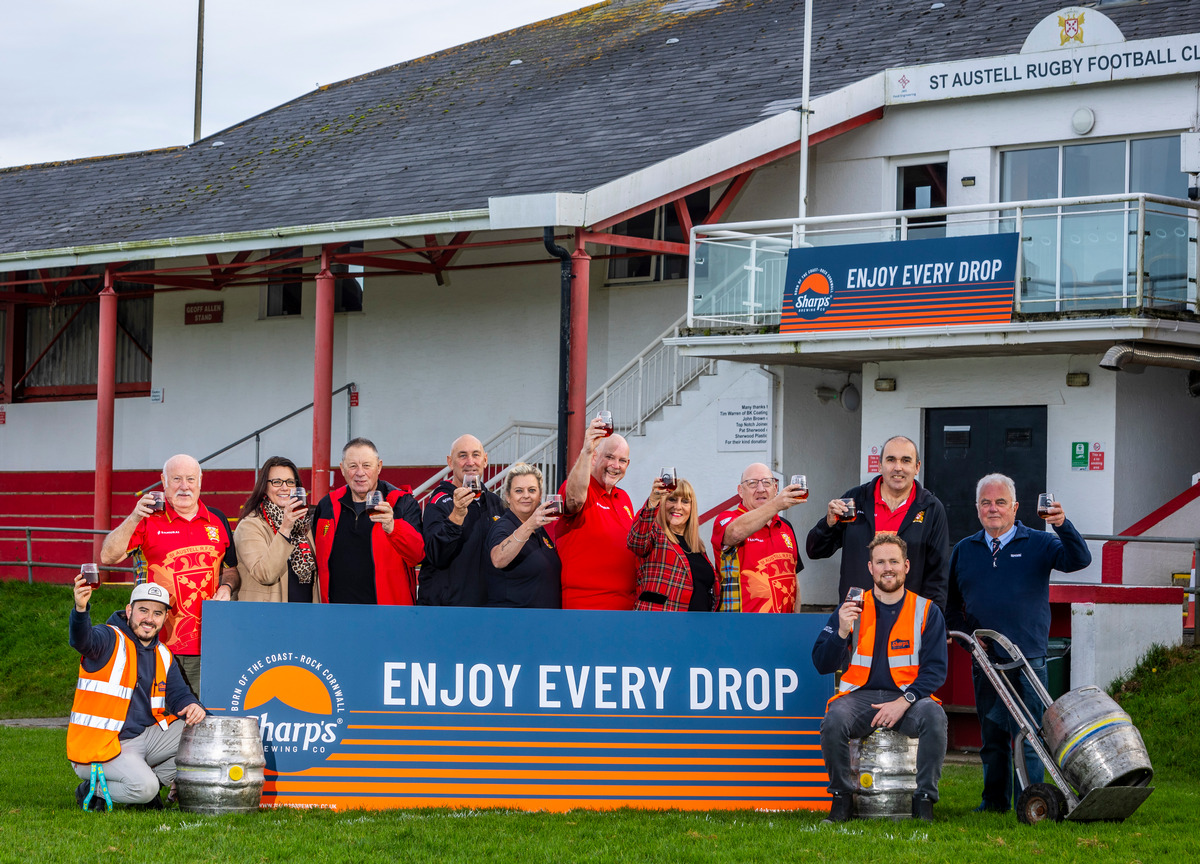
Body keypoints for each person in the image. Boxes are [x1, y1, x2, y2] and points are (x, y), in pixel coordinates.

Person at [947, 474, 1092, 814]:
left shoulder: (1040, 543)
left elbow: (1080, 560)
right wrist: (970, 639)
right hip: (986, 662)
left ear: (1015, 507)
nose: (992, 509)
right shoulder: (964, 550)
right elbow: (951, 607)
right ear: (977, 508)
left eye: (1000, 502)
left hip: (1029, 659)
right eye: (986, 503)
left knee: (1031, 738)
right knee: (993, 735)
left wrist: (1063, 525)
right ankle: (993, 802)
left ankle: (1033, 802)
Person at [812, 533, 948, 823]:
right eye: (881, 562)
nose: (888, 568)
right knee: (834, 719)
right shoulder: (852, 608)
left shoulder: (927, 610)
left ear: (907, 566)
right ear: (870, 568)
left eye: (894, 561)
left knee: (935, 717)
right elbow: (821, 663)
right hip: (860, 697)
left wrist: (904, 701)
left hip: (909, 697)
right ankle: (842, 800)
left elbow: (935, 670)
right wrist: (841, 631)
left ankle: (924, 802)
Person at [100, 453, 238, 693]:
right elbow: (107, 557)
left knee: (200, 717)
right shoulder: (147, 519)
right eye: (176, 479)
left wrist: (226, 588)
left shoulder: (217, 520)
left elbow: (232, 570)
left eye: (190, 479)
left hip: (208, 644)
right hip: (155, 642)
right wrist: (134, 517)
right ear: (163, 481)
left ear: (200, 482)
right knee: (156, 717)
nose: (184, 486)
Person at [68, 577, 206, 810]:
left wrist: (193, 706)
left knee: (202, 733)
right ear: (129, 610)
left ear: (164, 618)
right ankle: (91, 791)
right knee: (145, 787)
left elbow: (179, 695)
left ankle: (144, 785)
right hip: (99, 746)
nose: (149, 619)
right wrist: (81, 610)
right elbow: (82, 641)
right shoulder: (108, 638)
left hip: (140, 740)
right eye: (143, 610)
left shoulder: (163, 654)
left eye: (157, 613)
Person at [806, 435, 950, 611]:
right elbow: (815, 550)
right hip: (857, 613)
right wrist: (828, 524)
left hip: (906, 616)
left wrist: (932, 623)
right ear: (880, 465)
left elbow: (938, 576)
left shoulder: (931, 508)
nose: (898, 468)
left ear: (917, 467)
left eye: (906, 461)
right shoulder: (856, 499)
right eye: (891, 460)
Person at [313, 437, 424, 604]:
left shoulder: (402, 503)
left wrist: (393, 528)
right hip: (336, 615)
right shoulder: (327, 505)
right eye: (352, 466)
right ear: (342, 469)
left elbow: (418, 556)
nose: (360, 473)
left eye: (366, 465)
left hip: (388, 617)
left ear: (379, 467)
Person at [555, 415, 638, 609]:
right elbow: (574, 500)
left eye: (622, 460)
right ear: (594, 458)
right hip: (586, 610)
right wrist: (586, 449)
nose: (615, 465)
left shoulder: (624, 498)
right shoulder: (579, 488)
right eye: (609, 457)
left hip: (624, 611)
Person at [418, 434, 505, 606]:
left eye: (476, 455)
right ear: (450, 462)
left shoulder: (496, 503)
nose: (470, 462)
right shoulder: (439, 503)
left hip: (488, 609)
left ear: (485, 460)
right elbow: (435, 556)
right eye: (462, 455)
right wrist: (456, 516)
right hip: (447, 611)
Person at [711, 463, 804, 613]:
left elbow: (794, 581)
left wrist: (795, 621)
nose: (761, 489)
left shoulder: (785, 526)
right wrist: (776, 505)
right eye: (752, 483)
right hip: (740, 628)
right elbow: (735, 533)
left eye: (766, 482)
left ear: (775, 488)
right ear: (741, 491)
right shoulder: (728, 519)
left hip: (782, 627)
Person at [233, 456, 320, 603]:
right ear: (264, 487)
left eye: (290, 482)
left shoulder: (303, 524)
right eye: (277, 482)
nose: (285, 488)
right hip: (269, 618)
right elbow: (264, 574)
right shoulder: (250, 525)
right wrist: (285, 527)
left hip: (305, 616)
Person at [628, 476, 718, 611]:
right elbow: (636, 542)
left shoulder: (697, 545)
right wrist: (653, 501)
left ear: (691, 508)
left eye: (685, 501)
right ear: (663, 502)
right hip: (660, 622)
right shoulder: (654, 533)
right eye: (672, 499)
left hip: (699, 627)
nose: (678, 507)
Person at [484, 463, 562, 608]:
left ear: (539, 496)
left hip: (542, 623)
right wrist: (529, 525)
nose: (526, 495)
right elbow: (498, 559)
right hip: (513, 623)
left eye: (532, 490)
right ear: (508, 496)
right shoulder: (504, 525)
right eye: (519, 491)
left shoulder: (538, 528)